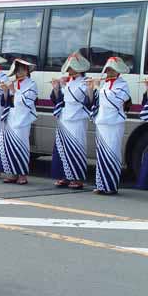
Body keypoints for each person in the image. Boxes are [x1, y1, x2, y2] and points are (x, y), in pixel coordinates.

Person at [0, 58, 38, 185]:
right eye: (17, 70)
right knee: (7, 145)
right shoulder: (12, 83)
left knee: (21, 146)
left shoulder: (31, 83)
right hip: (10, 116)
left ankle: (22, 174)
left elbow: (28, 101)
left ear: (27, 71)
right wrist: (5, 91)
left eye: (22, 69)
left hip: (22, 119)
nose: (20, 72)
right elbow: (6, 102)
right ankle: (11, 173)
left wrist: (13, 91)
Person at [88, 57, 131, 195]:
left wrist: (98, 89)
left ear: (118, 71)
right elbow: (100, 101)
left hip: (114, 123)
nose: (109, 72)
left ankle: (111, 186)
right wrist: (93, 88)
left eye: (112, 70)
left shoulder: (123, 84)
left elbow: (116, 100)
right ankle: (101, 184)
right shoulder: (105, 84)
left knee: (112, 153)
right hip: (102, 122)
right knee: (101, 154)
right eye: (108, 70)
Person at [50, 53, 92, 190]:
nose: (70, 70)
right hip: (64, 117)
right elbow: (59, 100)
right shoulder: (68, 82)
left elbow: (83, 100)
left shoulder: (85, 82)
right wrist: (57, 88)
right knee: (61, 147)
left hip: (77, 117)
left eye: (73, 67)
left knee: (76, 147)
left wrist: (63, 86)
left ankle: (77, 178)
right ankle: (63, 176)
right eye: (69, 67)